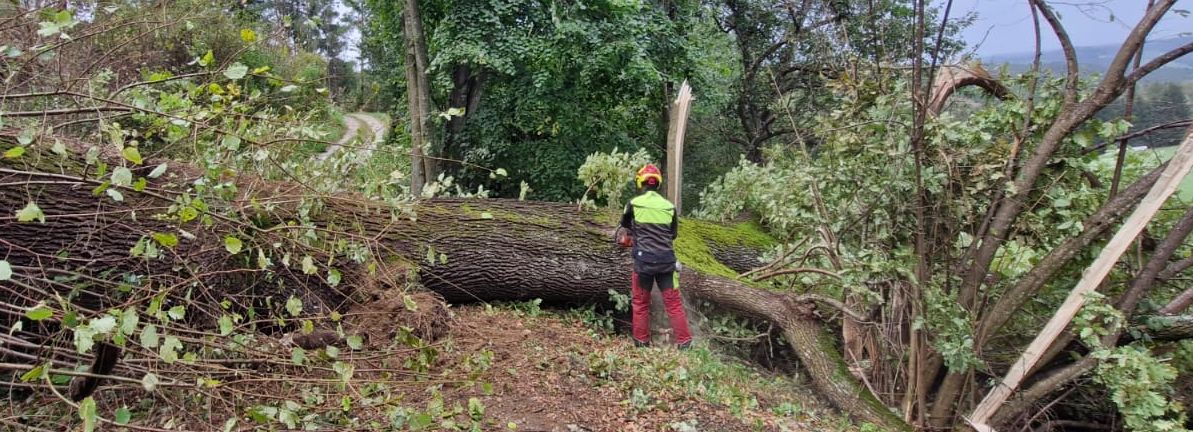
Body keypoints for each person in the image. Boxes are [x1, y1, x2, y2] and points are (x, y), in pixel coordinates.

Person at [619, 163, 693, 349]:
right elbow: (673, 235)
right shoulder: (669, 207)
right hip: (667, 262)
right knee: (674, 304)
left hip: (643, 263)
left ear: (640, 182)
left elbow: (625, 227)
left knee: (640, 303)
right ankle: (685, 344)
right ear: (657, 183)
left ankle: (641, 342)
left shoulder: (633, 204)